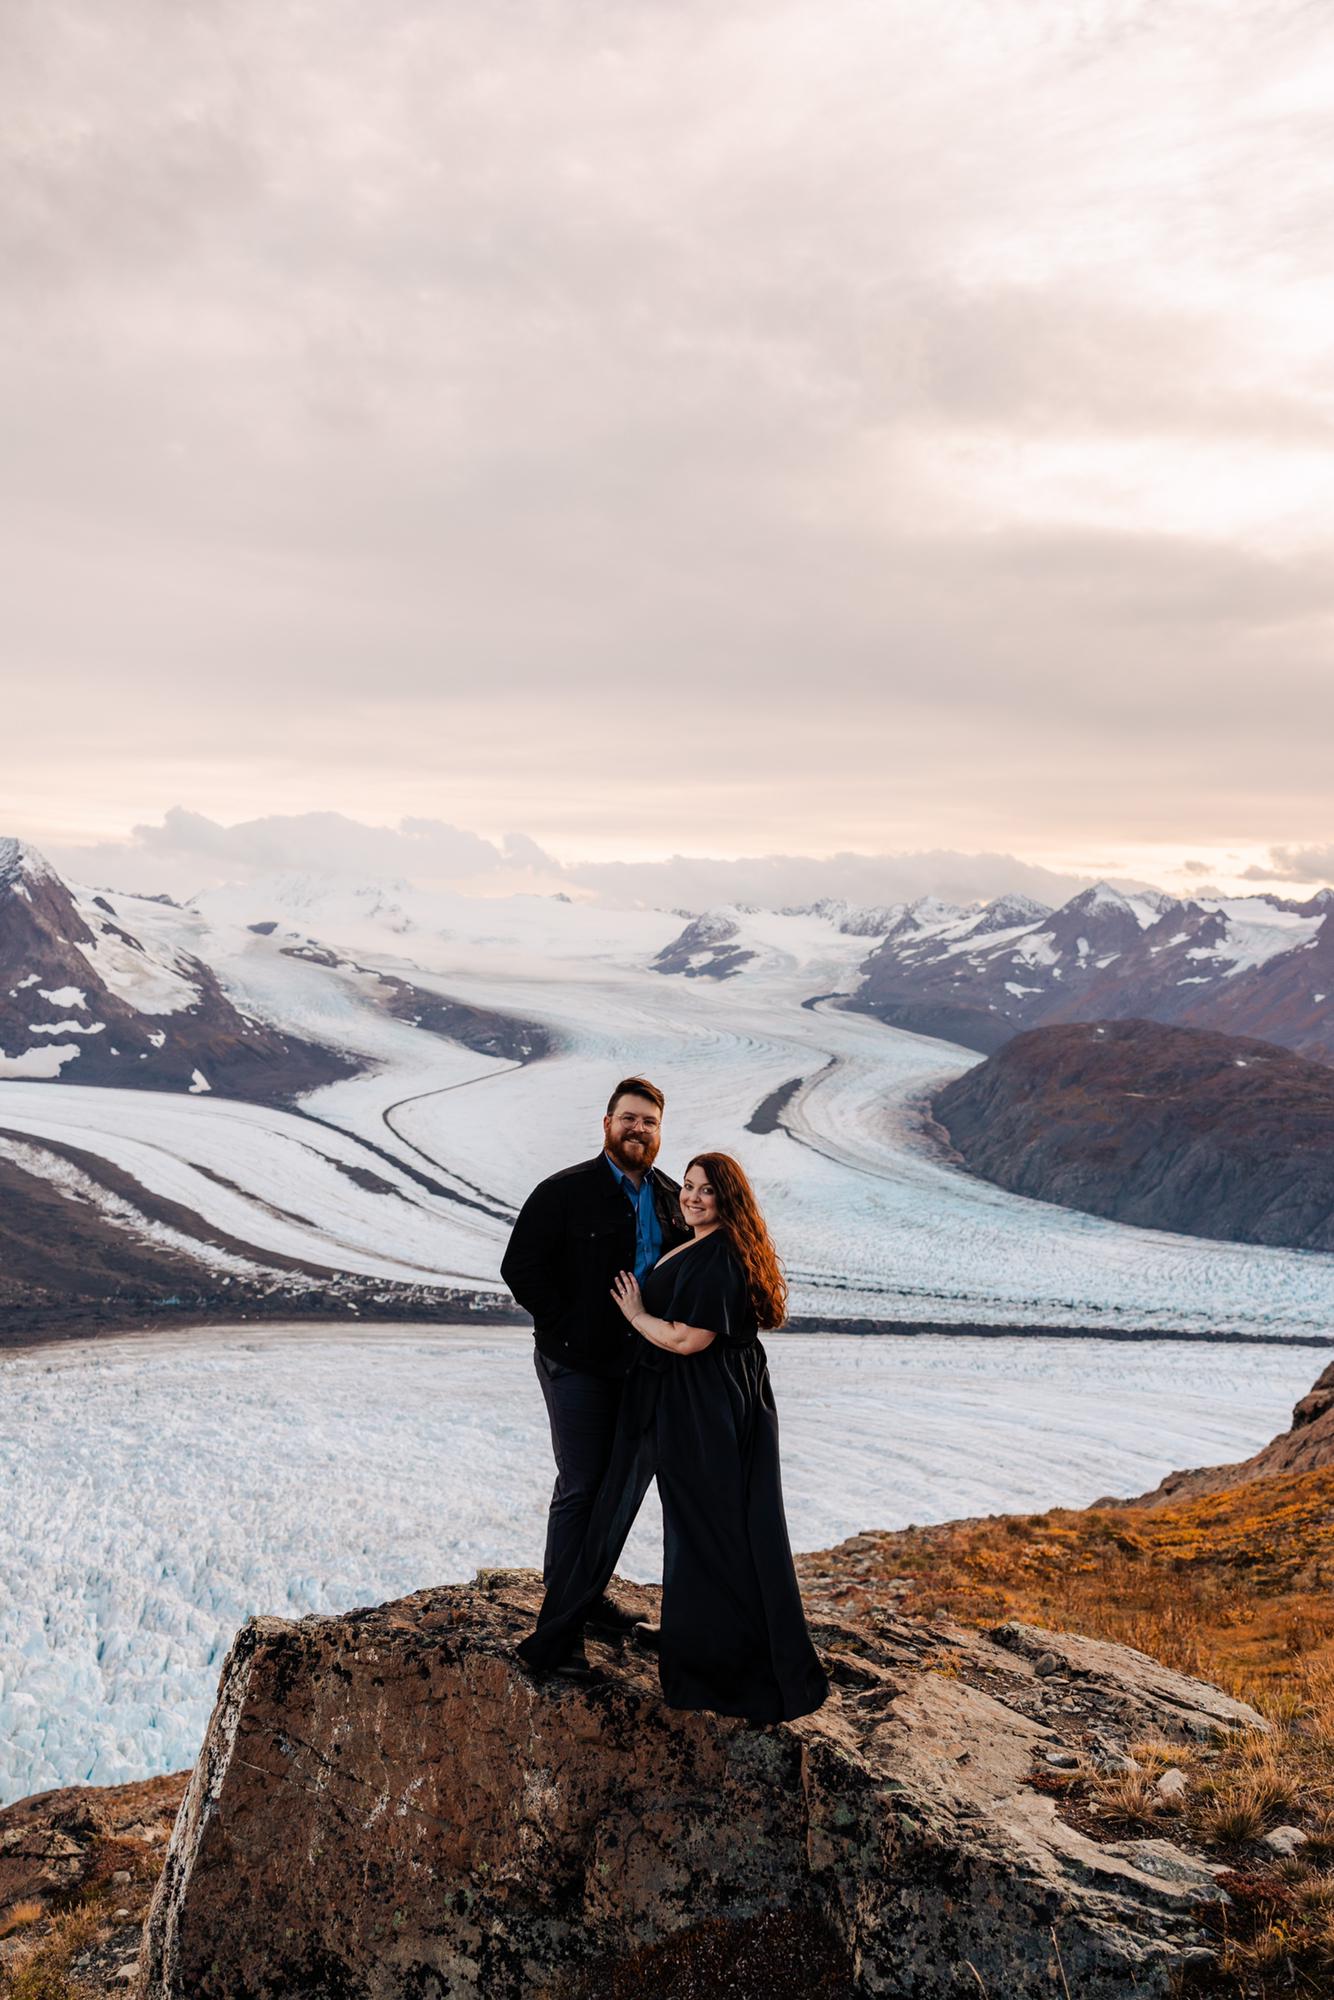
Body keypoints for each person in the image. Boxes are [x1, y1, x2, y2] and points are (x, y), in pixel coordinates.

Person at [517, 1152, 829, 1725]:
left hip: (704, 1403)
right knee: (698, 1522)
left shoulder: (719, 1254)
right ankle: (699, 1637)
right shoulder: (701, 1242)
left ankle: (721, 1659)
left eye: (706, 1190)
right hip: (699, 1399)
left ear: (729, 1198)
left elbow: (689, 1340)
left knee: (711, 1526)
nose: (691, 1197)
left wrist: (635, 1314)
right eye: (687, 1187)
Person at [500, 1076, 690, 1674]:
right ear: (606, 1123)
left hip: (642, 1363)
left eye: (649, 1122)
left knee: (617, 1488)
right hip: (575, 1363)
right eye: (629, 1118)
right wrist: (569, 1327)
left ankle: (587, 1593)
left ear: (660, 1132)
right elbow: (520, 1267)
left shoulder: (668, 1197)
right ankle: (561, 1627)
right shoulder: (564, 1192)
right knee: (582, 1483)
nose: (639, 1129)